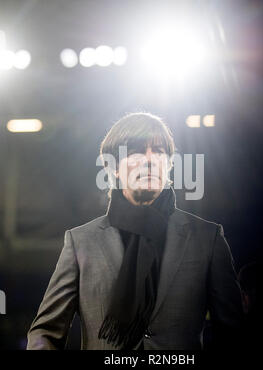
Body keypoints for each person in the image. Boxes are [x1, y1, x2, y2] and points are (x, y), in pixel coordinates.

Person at [27, 112, 244, 350]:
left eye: (159, 152)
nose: (149, 160)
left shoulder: (206, 238)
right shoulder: (82, 241)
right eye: (136, 151)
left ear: (169, 165)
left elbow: (232, 333)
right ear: (114, 167)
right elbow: (45, 331)